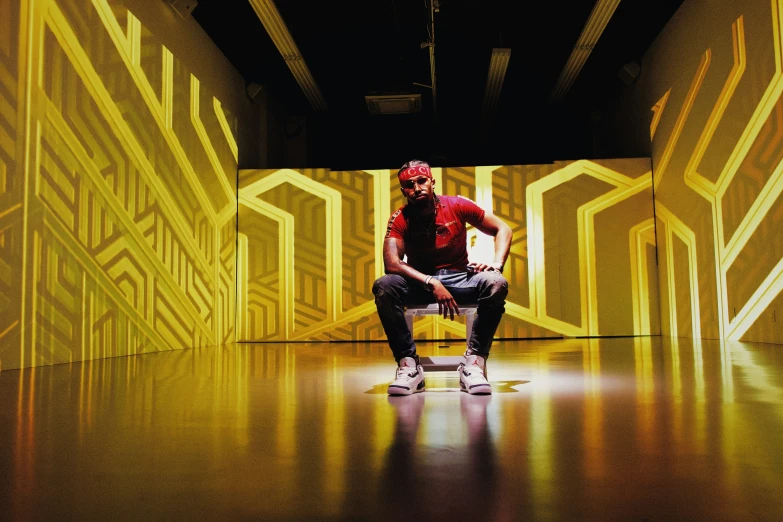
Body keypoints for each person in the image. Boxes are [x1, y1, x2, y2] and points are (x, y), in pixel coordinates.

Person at [373, 160, 512, 395]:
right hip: (421, 283)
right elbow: (392, 264)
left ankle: (474, 363)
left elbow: (503, 229)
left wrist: (496, 265)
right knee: (384, 286)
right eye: (409, 185)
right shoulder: (399, 217)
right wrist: (430, 281)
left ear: (432, 182)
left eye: (421, 181)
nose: (416, 188)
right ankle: (408, 365)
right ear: (403, 190)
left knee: (496, 283)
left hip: (460, 278)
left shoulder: (456, 205)